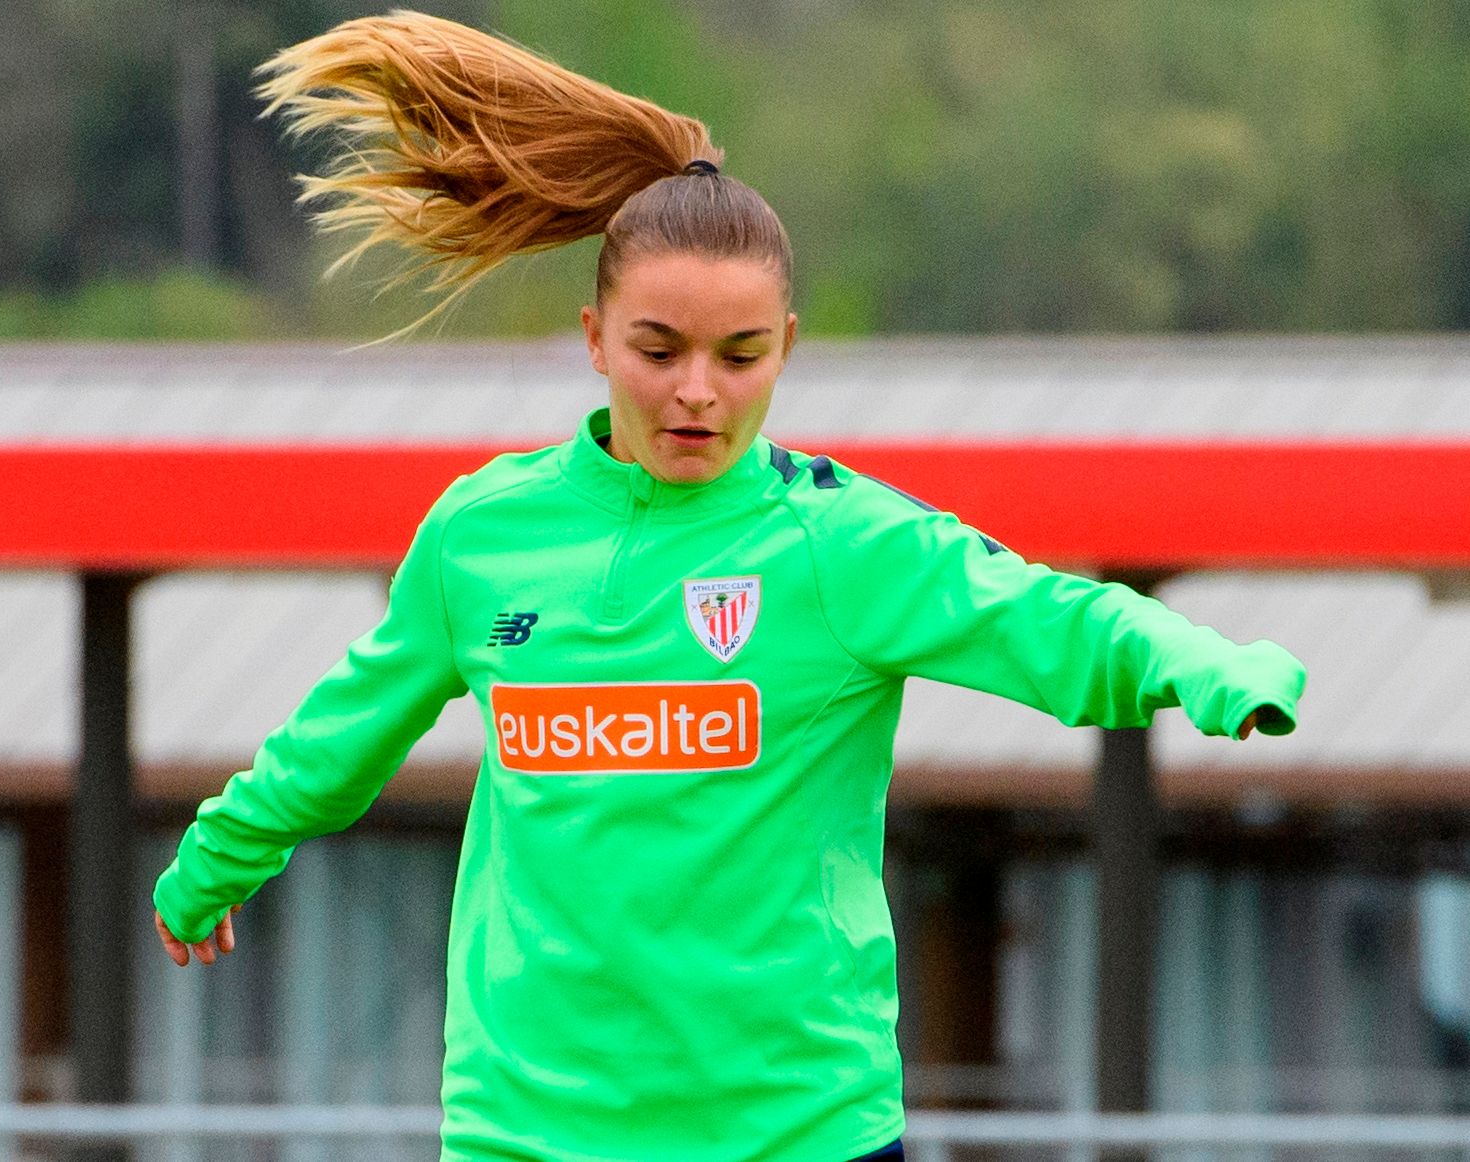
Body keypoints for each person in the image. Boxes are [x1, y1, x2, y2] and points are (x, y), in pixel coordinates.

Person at [151, 12, 1307, 1162]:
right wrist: (218, 856)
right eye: (659, 350)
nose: (696, 390)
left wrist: (1212, 667)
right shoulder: (482, 535)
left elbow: (1046, 619)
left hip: (793, 1129)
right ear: (594, 337)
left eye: (738, 355)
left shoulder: (837, 544)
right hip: (530, 1130)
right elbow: (342, 730)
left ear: (786, 347)